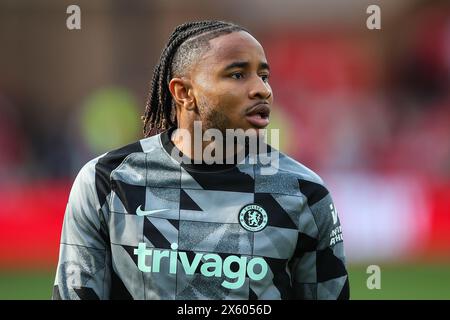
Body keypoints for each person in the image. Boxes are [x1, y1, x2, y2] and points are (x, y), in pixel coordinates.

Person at [52, 20, 349, 300]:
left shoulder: (304, 193)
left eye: (264, 75)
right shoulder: (107, 182)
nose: (262, 89)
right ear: (184, 93)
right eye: (237, 74)